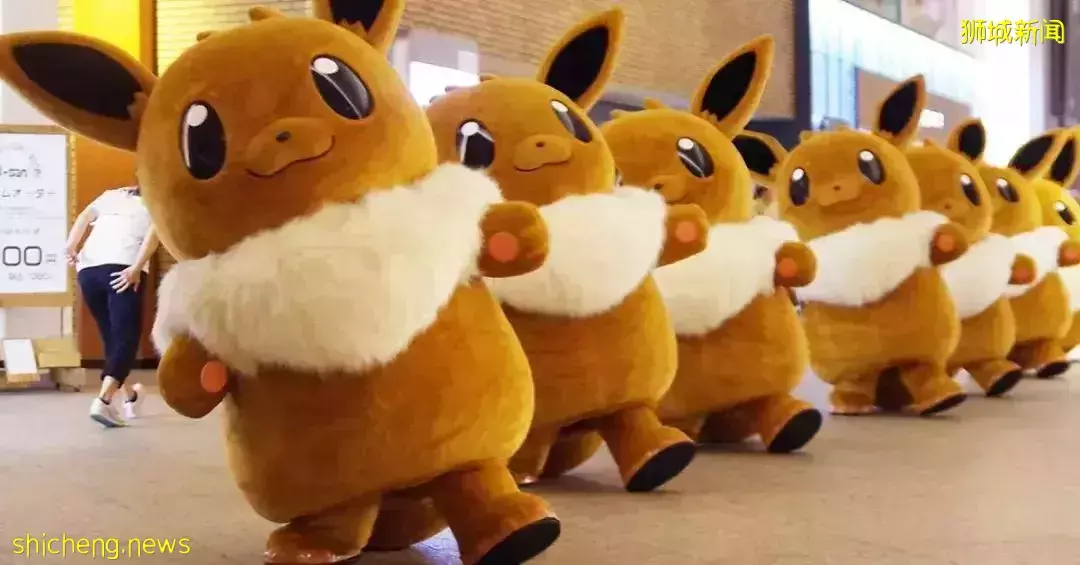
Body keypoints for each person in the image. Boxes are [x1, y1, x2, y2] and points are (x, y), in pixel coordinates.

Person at [65, 185, 159, 428]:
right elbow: (154, 234)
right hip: (122, 267)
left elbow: (85, 217)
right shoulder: (158, 198)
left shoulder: (112, 195)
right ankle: (104, 401)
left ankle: (130, 396)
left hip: (88, 270)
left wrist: (71, 246)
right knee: (125, 338)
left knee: (112, 338)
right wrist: (136, 268)